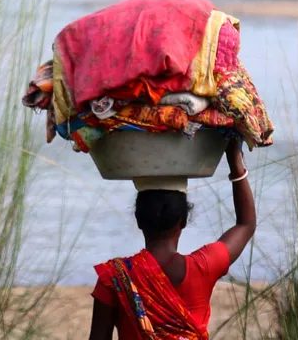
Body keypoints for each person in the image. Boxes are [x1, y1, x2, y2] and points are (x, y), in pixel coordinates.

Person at [88, 139, 256, 340]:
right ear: (183, 221)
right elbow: (246, 225)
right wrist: (236, 165)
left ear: (138, 220)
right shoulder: (204, 266)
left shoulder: (114, 278)